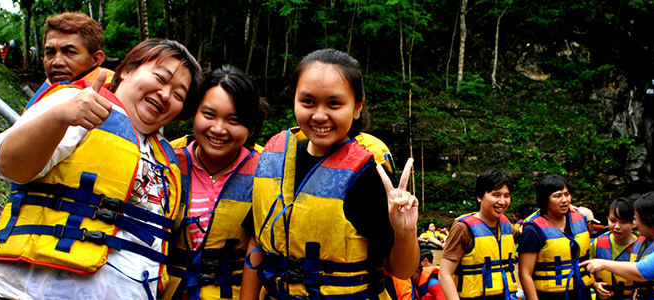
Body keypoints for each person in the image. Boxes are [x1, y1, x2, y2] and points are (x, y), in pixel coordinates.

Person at [0, 39, 202, 300]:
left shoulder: (164, 156)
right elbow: (9, 165)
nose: (166, 95)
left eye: (178, 95)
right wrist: (60, 116)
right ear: (126, 71)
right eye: (160, 78)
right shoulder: (75, 101)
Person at [240, 48, 419, 300]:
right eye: (308, 102)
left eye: (334, 103)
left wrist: (405, 231)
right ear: (294, 101)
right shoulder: (274, 161)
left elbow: (402, 270)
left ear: (357, 107)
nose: (320, 115)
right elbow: (257, 243)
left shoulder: (368, 174)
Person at [161, 65, 268, 300]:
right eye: (209, 115)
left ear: (251, 127)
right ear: (194, 113)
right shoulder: (165, 163)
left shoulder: (266, 174)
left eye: (234, 120)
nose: (218, 129)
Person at [580, 191, 654, 300]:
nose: (635, 224)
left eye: (636, 219)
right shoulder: (649, 241)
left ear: (650, 220)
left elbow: (642, 272)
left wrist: (602, 263)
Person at [438, 169, 519, 300]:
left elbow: (529, 238)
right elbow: (445, 273)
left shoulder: (505, 225)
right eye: (496, 195)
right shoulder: (463, 228)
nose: (502, 202)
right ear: (479, 196)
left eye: (507, 195)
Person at [518, 175, 593, 300]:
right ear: (545, 199)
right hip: (549, 295)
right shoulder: (533, 230)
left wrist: (595, 284)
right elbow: (525, 273)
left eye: (567, 194)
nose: (564, 200)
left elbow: (583, 261)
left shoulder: (579, 220)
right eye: (557, 196)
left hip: (582, 292)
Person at [24, 12, 115, 111]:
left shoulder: (115, 95)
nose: (57, 62)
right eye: (50, 53)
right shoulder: (47, 90)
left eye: (70, 52)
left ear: (96, 59)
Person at [588, 198, 638, 300]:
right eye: (612, 220)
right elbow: (587, 271)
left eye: (623, 222)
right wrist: (595, 285)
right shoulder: (598, 243)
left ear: (634, 223)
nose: (617, 227)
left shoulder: (642, 246)